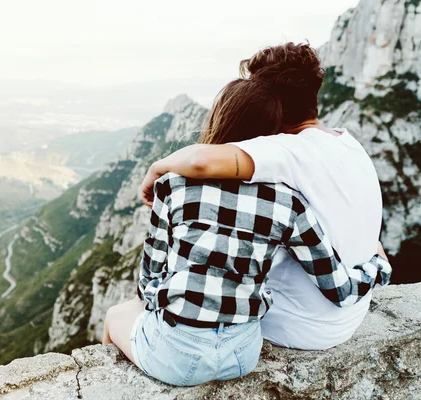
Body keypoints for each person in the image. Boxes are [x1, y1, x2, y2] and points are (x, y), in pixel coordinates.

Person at [103, 77, 391, 387]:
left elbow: (149, 280)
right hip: (244, 354)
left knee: (116, 315)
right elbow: (340, 289)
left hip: (177, 356)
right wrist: (380, 264)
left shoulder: (172, 186)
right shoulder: (288, 203)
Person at [139, 42, 389, 350]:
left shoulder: (286, 150)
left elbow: (200, 161)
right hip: (348, 313)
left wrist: (157, 168)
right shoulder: (349, 144)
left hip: (293, 325)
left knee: (139, 313)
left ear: (269, 103)